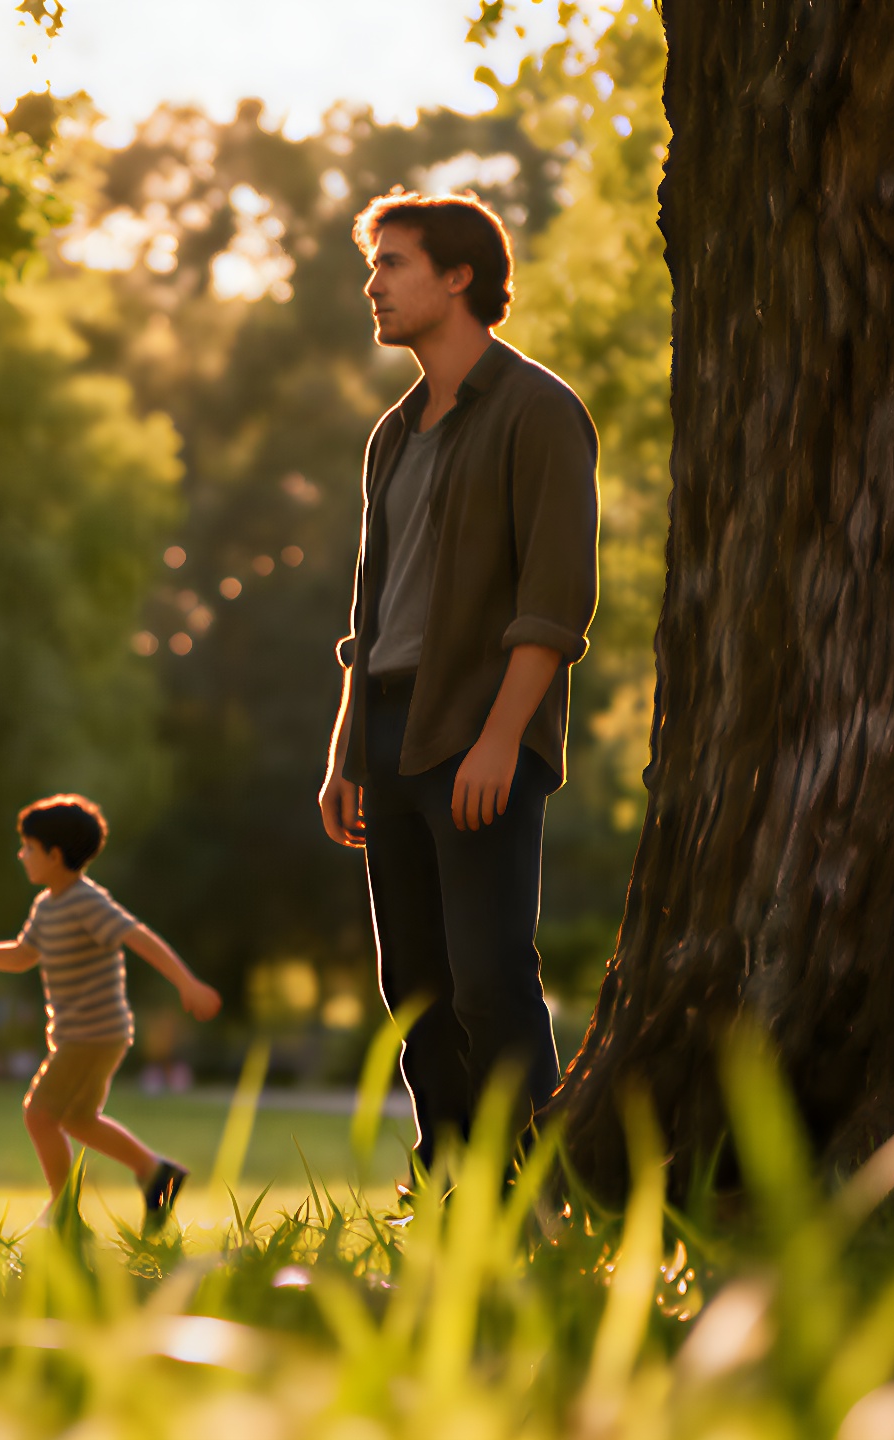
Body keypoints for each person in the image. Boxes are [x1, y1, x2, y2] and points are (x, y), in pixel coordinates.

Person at [315, 190, 598, 1189]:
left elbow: (554, 602)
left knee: (489, 977)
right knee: (415, 987)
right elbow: (369, 614)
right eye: (373, 265)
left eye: (392, 263)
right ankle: (449, 1188)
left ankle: (540, 1189)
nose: (373, 284)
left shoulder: (538, 411)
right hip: (385, 732)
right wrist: (347, 753)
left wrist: (500, 738)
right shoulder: (392, 433)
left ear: (459, 276)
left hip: (481, 733)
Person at [0, 794, 223, 1230]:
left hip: (93, 1032)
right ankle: (155, 1172)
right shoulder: (47, 907)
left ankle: (64, 1210)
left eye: (28, 847)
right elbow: (21, 955)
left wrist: (186, 982)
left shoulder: (87, 902)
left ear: (54, 855)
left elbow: (137, 937)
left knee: (39, 1113)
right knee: (77, 1119)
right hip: (86, 1034)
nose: (21, 855)